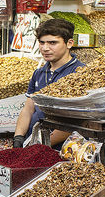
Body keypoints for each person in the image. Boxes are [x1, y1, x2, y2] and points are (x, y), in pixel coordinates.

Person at [12, 18, 85, 148]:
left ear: (69, 43)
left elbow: (76, 120)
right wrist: (18, 137)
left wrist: (42, 145)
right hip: (34, 143)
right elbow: (28, 109)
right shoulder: (39, 73)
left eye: (52, 43)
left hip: (62, 149)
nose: (45, 48)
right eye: (42, 42)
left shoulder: (79, 73)